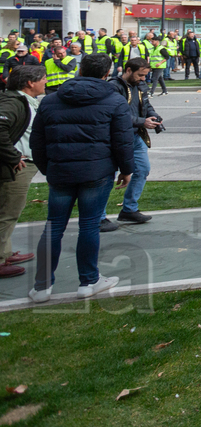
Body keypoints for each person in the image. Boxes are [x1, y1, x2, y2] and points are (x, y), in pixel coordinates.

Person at [28, 53, 135, 303]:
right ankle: (88, 280)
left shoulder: (51, 100)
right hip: (94, 172)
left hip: (64, 170)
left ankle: (43, 285)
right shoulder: (113, 100)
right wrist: (126, 169)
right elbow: (123, 141)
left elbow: (38, 142)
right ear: (106, 74)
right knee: (87, 225)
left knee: (54, 226)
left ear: (80, 69)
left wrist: (48, 168)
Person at [0, 66, 46, 278]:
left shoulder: (21, 101)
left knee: (8, 211)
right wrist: (13, 156)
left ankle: (5, 252)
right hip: (16, 166)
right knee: (7, 212)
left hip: (20, 164)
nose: (45, 82)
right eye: (43, 79)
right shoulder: (13, 102)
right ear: (30, 83)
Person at [105, 58, 163, 226]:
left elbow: (146, 105)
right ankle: (99, 216)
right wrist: (141, 121)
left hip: (136, 136)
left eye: (145, 75)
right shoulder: (114, 87)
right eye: (140, 75)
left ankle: (129, 209)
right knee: (108, 175)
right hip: (117, 137)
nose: (143, 78)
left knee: (143, 169)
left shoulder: (140, 85)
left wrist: (154, 117)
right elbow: (116, 114)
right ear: (128, 70)